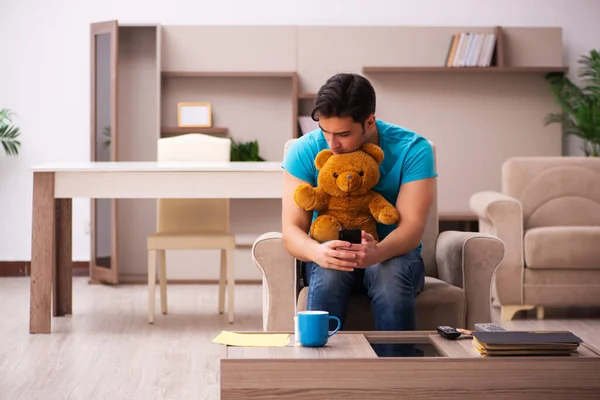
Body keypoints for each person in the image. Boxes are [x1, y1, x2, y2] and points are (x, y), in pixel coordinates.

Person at [281, 73, 437, 334]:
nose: (332, 144)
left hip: (394, 254)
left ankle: (397, 372)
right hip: (329, 250)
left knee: (387, 276)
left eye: (342, 134)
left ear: (369, 122)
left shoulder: (413, 149)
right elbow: (291, 230)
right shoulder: (305, 149)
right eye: (325, 131)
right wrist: (317, 252)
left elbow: (411, 228)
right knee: (330, 273)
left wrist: (377, 253)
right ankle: (321, 371)